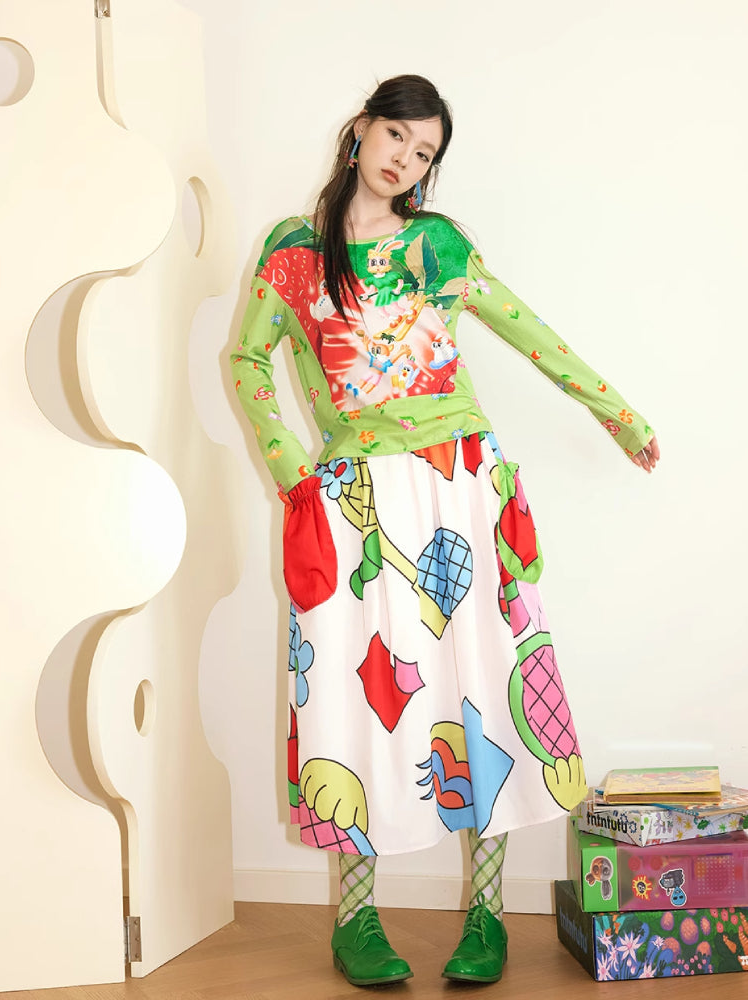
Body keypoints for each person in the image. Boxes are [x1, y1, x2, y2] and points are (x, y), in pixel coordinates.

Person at [230, 74, 659, 988]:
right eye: (397, 135)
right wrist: (292, 470)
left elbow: (527, 330)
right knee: (351, 693)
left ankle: (486, 914)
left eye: (423, 151)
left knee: (483, 687)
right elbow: (246, 360)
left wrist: (616, 413)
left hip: (459, 482)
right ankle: (355, 918)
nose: (405, 159)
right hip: (354, 495)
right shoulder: (295, 252)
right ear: (361, 129)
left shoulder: (438, 246)